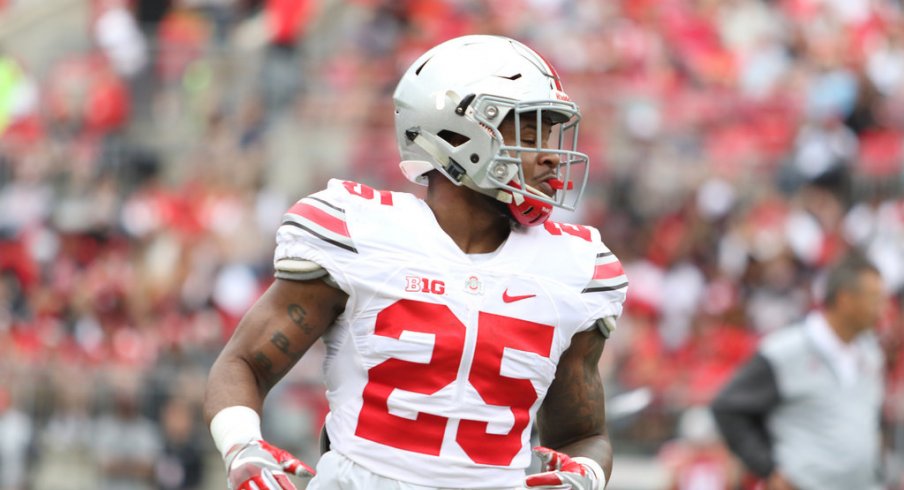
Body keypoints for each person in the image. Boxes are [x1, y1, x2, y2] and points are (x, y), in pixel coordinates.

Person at [203, 34, 628, 490]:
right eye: (527, 134)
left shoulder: (573, 266)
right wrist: (243, 449)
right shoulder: (361, 232)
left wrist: (586, 475)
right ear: (454, 133)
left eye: (548, 134)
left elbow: (583, 435)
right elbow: (243, 362)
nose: (549, 155)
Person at [710, 253, 887, 490]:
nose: (882, 308)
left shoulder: (871, 352)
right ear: (846, 299)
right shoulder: (786, 351)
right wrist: (768, 468)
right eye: (874, 298)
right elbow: (727, 407)